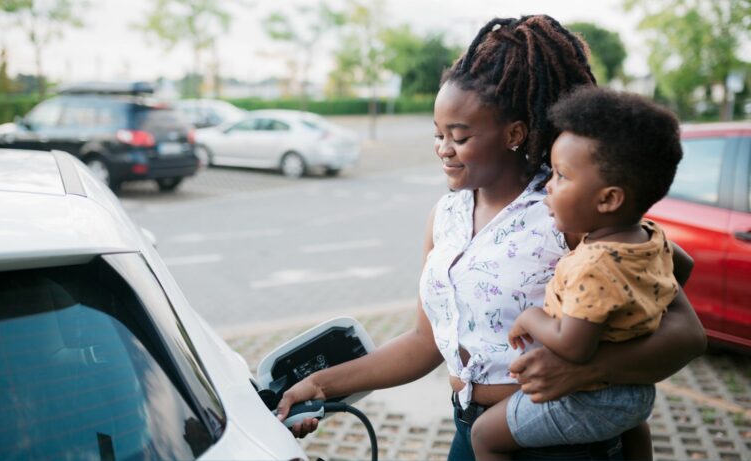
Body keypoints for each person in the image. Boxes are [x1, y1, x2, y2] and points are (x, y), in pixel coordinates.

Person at [275, 15, 706, 460]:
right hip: (472, 433)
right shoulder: (447, 216)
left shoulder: (567, 207)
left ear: (514, 133)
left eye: (459, 136)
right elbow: (426, 343)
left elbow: (686, 332)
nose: (443, 148)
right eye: (439, 135)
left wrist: (585, 371)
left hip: (561, 440)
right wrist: (320, 386)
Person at [470, 86, 685, 461]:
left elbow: (573, 346)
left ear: (608, 199)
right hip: (635, 392)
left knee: (485, 436)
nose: (548, 186)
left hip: (592, 396)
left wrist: (531, 317)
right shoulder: (648, 237)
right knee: (631, 428)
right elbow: (684, 268)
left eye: (561, 176)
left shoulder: (595, 263)